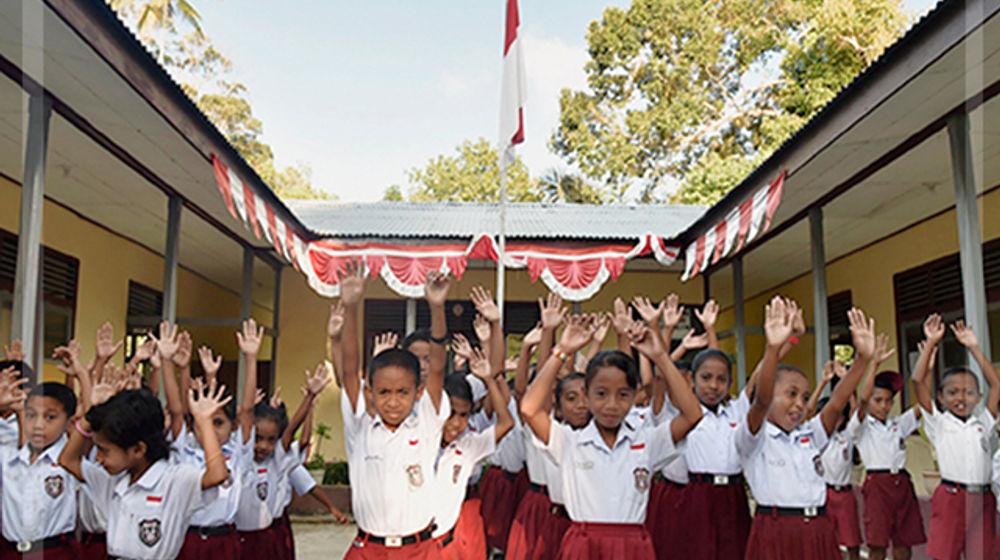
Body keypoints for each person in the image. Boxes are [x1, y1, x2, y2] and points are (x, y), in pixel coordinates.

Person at [521, 313, 703, 559]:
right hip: (583, 544)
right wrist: (562, 349)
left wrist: (660, 357)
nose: (612, 405)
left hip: (633, 546)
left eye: (623, 395)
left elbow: (693, 415)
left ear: (635, 394)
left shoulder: (647, 441)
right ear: (587, 393)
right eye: (601, 394)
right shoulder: (570, 442)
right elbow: (529, 408)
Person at [738, 299, 875, 559]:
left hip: (818, 528)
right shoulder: (754, 436)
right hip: (776, 529)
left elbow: (836, 403)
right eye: (791, 394)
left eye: (804, 397)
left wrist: (863, 360)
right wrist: (773, 347)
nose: (799, 404)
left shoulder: (809, 435)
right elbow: (761, 400)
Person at [59, 364, 232, 560]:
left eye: (104, 451)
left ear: (138, 450)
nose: (98, 459)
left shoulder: (174, 480)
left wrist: (203, 421)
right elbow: (67, 460)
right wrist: (92, 415)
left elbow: (217, 475)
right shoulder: (112, 481)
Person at [337, 262, 451, 559]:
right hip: (368, 549)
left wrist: (437, 307)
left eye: (403, 392)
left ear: (418, 393)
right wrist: (351, 307)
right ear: (370, 392)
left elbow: (437, 367)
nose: (393, 401)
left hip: (420, 550)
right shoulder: (360, 426)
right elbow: (350, 368)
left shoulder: (425, 424)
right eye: (384, 392)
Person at [912, 315, 1000, 560]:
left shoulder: (982, 422)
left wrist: (973, 347)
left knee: (982, 555)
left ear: (979, 397)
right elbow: (918, 381)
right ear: (940, 397)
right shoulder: (938, 423)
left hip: (983, 499)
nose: (962, 398)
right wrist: (930, 344)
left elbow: (997, 385)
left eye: (969, 392)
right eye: (953, 392)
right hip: (951, 498)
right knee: (944, 555)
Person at [847, 333, 926, 560]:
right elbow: (862, 401)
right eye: (878, 400)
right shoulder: (861, 427)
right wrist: (875, 364)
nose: (884, 406)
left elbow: (923, 405)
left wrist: (926, 363)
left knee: (904, 543)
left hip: (902, 483)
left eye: (889, 400)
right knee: (877, 544)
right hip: (877, 486)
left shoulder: (898, 424)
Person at [434, 338, 514, 559]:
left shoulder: (468, 445)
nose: (456, 423)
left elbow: (506, 423)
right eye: (450, 413)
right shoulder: (421, 440)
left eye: (463, 415)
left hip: (458, 520)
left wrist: (489, 379)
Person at [1, 379, 78, 560]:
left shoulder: (70, 461)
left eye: (50, 417)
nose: (38, 425)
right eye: (31, 415)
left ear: (68, 422)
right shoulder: (7, 458)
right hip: (11, 552)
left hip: (55, 551)